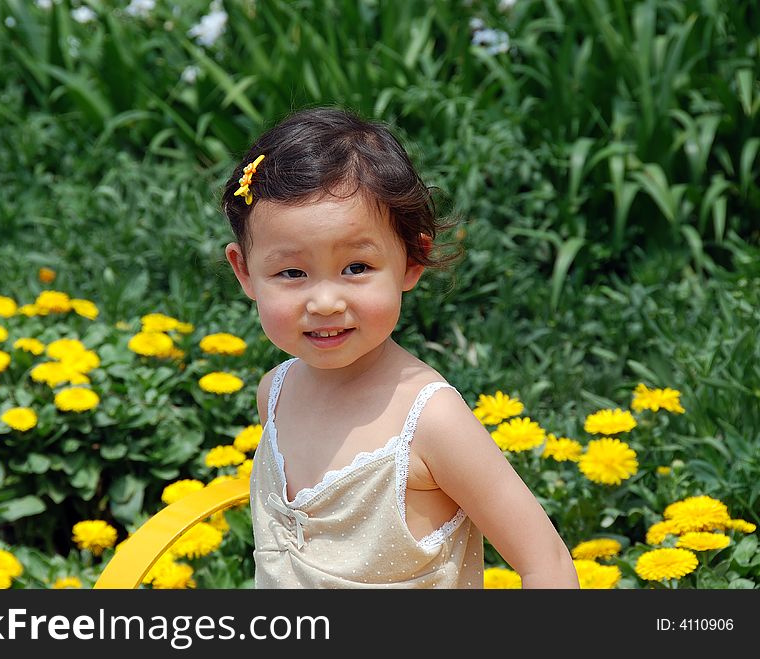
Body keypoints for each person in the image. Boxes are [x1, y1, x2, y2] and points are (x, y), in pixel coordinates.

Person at [222, 106, 579, 589]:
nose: (325, 302)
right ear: (245, 271)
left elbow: (547, 566)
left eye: (356, 268)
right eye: (292, 273)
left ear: (412, 260)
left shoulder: (430, 422)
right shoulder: (276, 394)